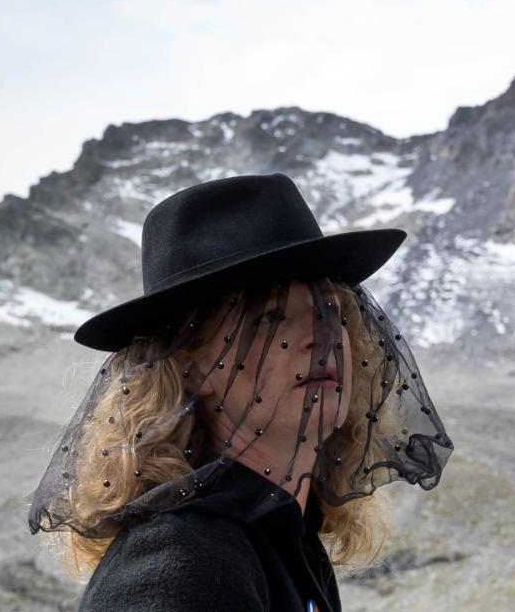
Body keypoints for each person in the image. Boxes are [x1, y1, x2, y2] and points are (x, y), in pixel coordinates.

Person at [26, 173, 453, 611]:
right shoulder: (178, 564)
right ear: (187, 364)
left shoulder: (285, 541)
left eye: (330, 312)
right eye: (271, 320)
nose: (319, 337)